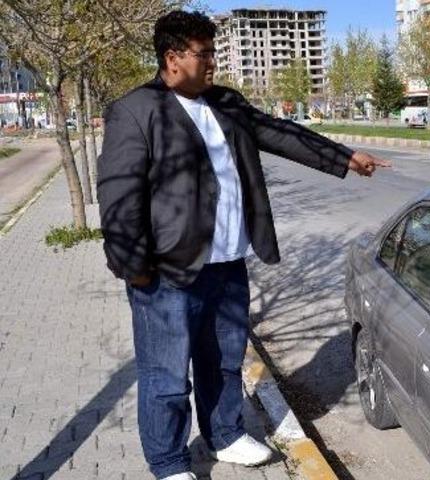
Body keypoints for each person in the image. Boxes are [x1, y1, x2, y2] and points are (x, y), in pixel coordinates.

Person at [96, 10, 390, 480]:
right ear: (172, 58)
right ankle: (168, 461)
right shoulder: (136, 110)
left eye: (213, 52)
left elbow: (280, 133)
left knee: (224, 362)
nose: (213, 61)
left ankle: (225, 435)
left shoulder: (226, 104)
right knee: (166, 376)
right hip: (168, 274)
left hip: (228, 264)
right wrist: (135, 268)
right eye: (204, 53)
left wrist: (345, 157)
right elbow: (118, 196)